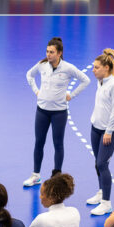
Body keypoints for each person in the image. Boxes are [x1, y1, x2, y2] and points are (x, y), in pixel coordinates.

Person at [22, 37, 90, 187]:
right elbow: (29, 75)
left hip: (59, 113)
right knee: (39, 142)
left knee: (58, 144)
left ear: (59, 53)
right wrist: (36, 91)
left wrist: (71, 95)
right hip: (42, 111)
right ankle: (36, 175)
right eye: (47, 51)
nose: (48, 54)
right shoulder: (42, 66)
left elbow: (85, 80)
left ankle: (57, 176)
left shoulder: (68, 68)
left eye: (52, 52)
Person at [86, 49, 114, 216]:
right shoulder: (100, 81)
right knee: (97, 162)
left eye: (96, 67)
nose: (93, 70)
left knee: (102, 164)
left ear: (106, 68)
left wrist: (109, 131)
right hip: (96, 128)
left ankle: (106, 203)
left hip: (110, 131)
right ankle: (101, 191)